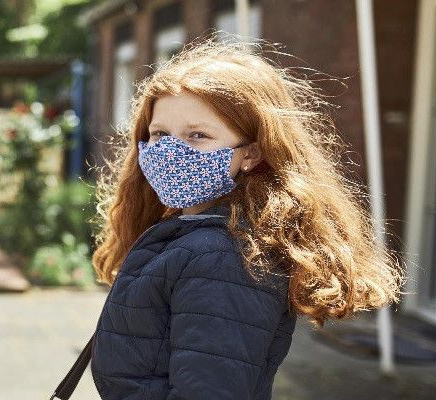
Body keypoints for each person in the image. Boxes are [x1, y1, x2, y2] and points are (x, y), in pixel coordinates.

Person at [87, 35, 405, 400]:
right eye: (159, 134)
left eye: (198, 136)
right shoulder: (198, 234)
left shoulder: (221, 256)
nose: (170, 152)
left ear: (251, 154)